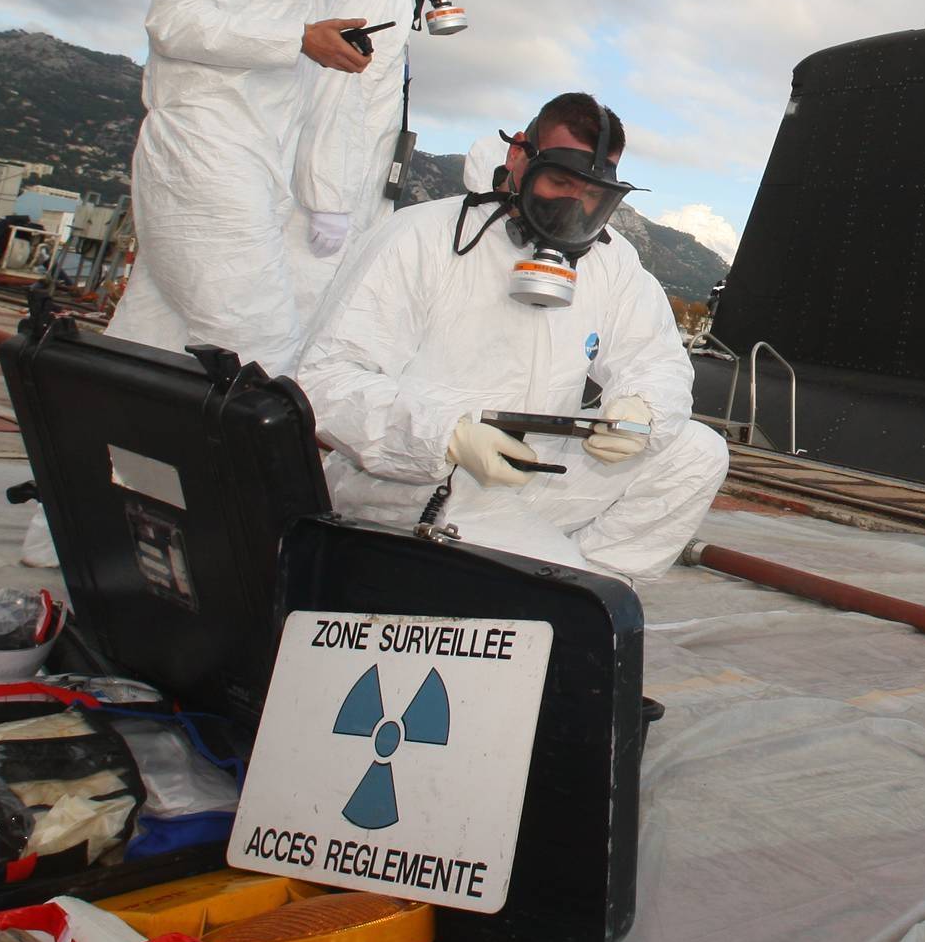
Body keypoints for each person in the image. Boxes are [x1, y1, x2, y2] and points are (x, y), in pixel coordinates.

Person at [295, 95, 728, 586]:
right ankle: (558, 585)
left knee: (696, 451)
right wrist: (446, 436)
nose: (575, 205)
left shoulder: (612, 261)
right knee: (549, 584)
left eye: (593, 195)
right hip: (416, 480)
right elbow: (325, 379)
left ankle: (600, 586)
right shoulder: (421, 236)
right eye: (560, 182)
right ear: (519, 157)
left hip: (532, 471)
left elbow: (657, 362)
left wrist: (643, 410)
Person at [105, 0, 390, 374]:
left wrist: (328, 55)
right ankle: (256, 459)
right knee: (258, 342)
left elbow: (305, 98)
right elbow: (173, 22)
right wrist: (296, 41)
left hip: (262, 172)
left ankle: (111, 455)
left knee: (152, 340)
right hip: (203, 146)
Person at [281, 0, 484, 324]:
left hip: (352, 194)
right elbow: (338, 94)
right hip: (323, 203)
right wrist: (328, 200)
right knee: (297, 313)